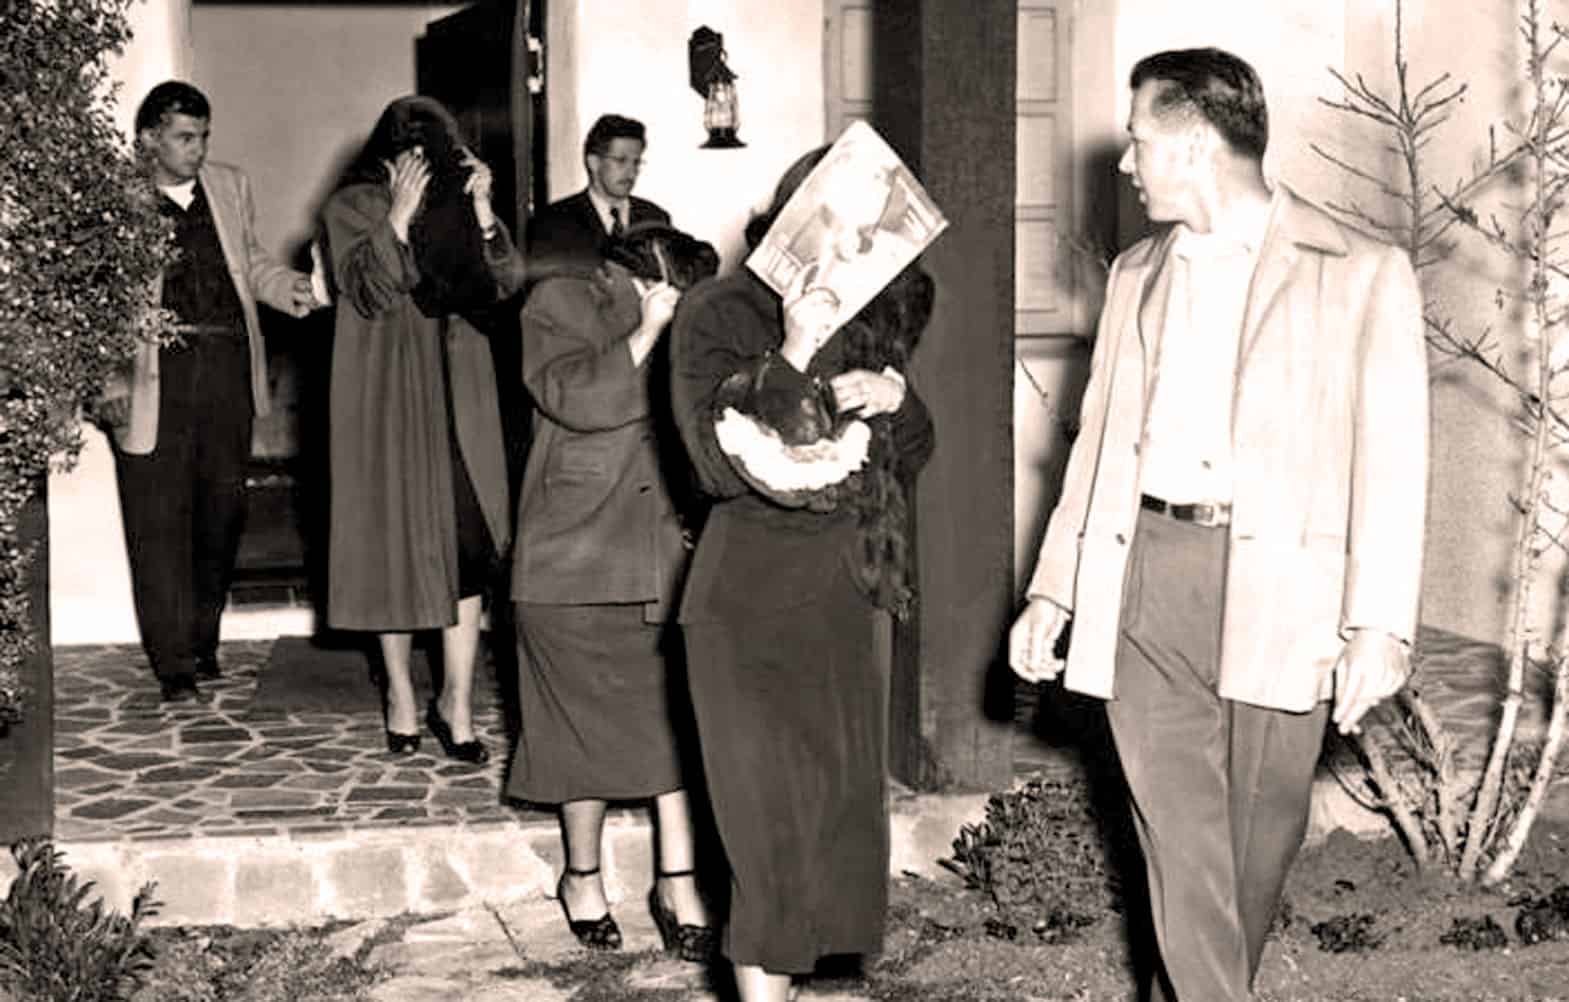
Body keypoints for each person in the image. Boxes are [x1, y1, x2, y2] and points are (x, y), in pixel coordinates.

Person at [1009, 47, 1428, 1002]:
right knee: (1183, 846)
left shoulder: (1356, 272)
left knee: (1248, 852)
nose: (1125, 162)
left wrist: (1379, 624)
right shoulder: (1134, 274)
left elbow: (1393, 459)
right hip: (1147, 576)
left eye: (1139, 140)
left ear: (1194, 145)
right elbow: (1097, 447)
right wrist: (1052, 588)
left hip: (1288, 593)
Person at [669, 149, 936, 1002]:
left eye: (871, 226)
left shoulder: (873, 313)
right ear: (799, 211)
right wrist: (790, 352)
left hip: (840, 601)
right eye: (842, 216)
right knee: (764, 835)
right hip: (744, 607)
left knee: (829, 832)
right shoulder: (717, 310)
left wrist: (898, 400)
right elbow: (714, 465)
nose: (855, 238)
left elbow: (905, 461)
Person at [507, 222, 719, 958]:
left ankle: (678, 882)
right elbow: (576, 396)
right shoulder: (558, 301)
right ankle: (582, 878)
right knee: (576, 735)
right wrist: (651, 330)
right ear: (640, 272)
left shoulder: (685, 316)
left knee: (677, 730)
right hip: (569, 561)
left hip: (660, 563)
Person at [99, 80, 319, 704]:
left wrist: (297, 290)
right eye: (183, 138)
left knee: (221, 513)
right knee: (157, 520)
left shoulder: (228, 184)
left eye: (203, 137)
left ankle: (202, 641)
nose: (197, 150)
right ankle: (172, 662)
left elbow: (251, 262)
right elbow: (90, 300)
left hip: (224, 365)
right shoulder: (113, 198)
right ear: (149, 140)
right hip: (152, 377)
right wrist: (106, 380)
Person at [321, 95, 525, 761]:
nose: (423, 164)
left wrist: (485, 213)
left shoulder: (460, 201)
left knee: (467, 551)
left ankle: (457, 702)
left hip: (457, 395)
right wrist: (400, 219)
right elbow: (369, 289)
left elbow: (506, 283)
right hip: (388, 399)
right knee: (395, 549)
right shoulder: (350, 206)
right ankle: (401, 695)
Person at [526, 114, 671, 275]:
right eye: (621, 161)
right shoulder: (553, 223)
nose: (632, 172)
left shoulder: (656, 218)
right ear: (593, 162)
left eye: (636, 162)